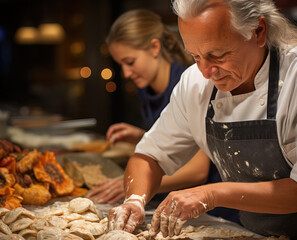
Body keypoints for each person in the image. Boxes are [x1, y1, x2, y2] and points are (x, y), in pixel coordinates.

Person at [106, 0, 297, 239]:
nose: (206, 71)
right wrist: (134, 200)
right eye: (195, 55)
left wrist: (211, 194)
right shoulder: (195, 83)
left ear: (258, 32)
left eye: (218, 55)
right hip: (263, 232)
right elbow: (148, 156)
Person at [86, 9, 240, 224]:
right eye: (121, 64)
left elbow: (197, 170)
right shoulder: (146, 90)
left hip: (217, 210)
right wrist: (143, 137)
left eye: (130, 62)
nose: (126, 73)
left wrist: (133, 186)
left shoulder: (191, 83)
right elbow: (172, 141)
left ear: (155, 47)